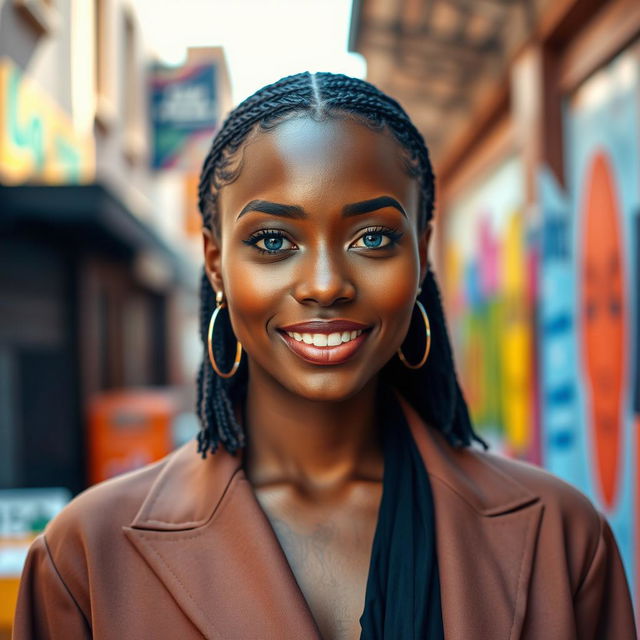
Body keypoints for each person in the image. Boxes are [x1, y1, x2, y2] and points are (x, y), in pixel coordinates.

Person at [12, 72, 636, 640]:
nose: (325, 283)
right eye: (273, 240)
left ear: (420, 253)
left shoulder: (565, 540)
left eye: (372, 237)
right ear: (215, 263)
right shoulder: (86, 560)